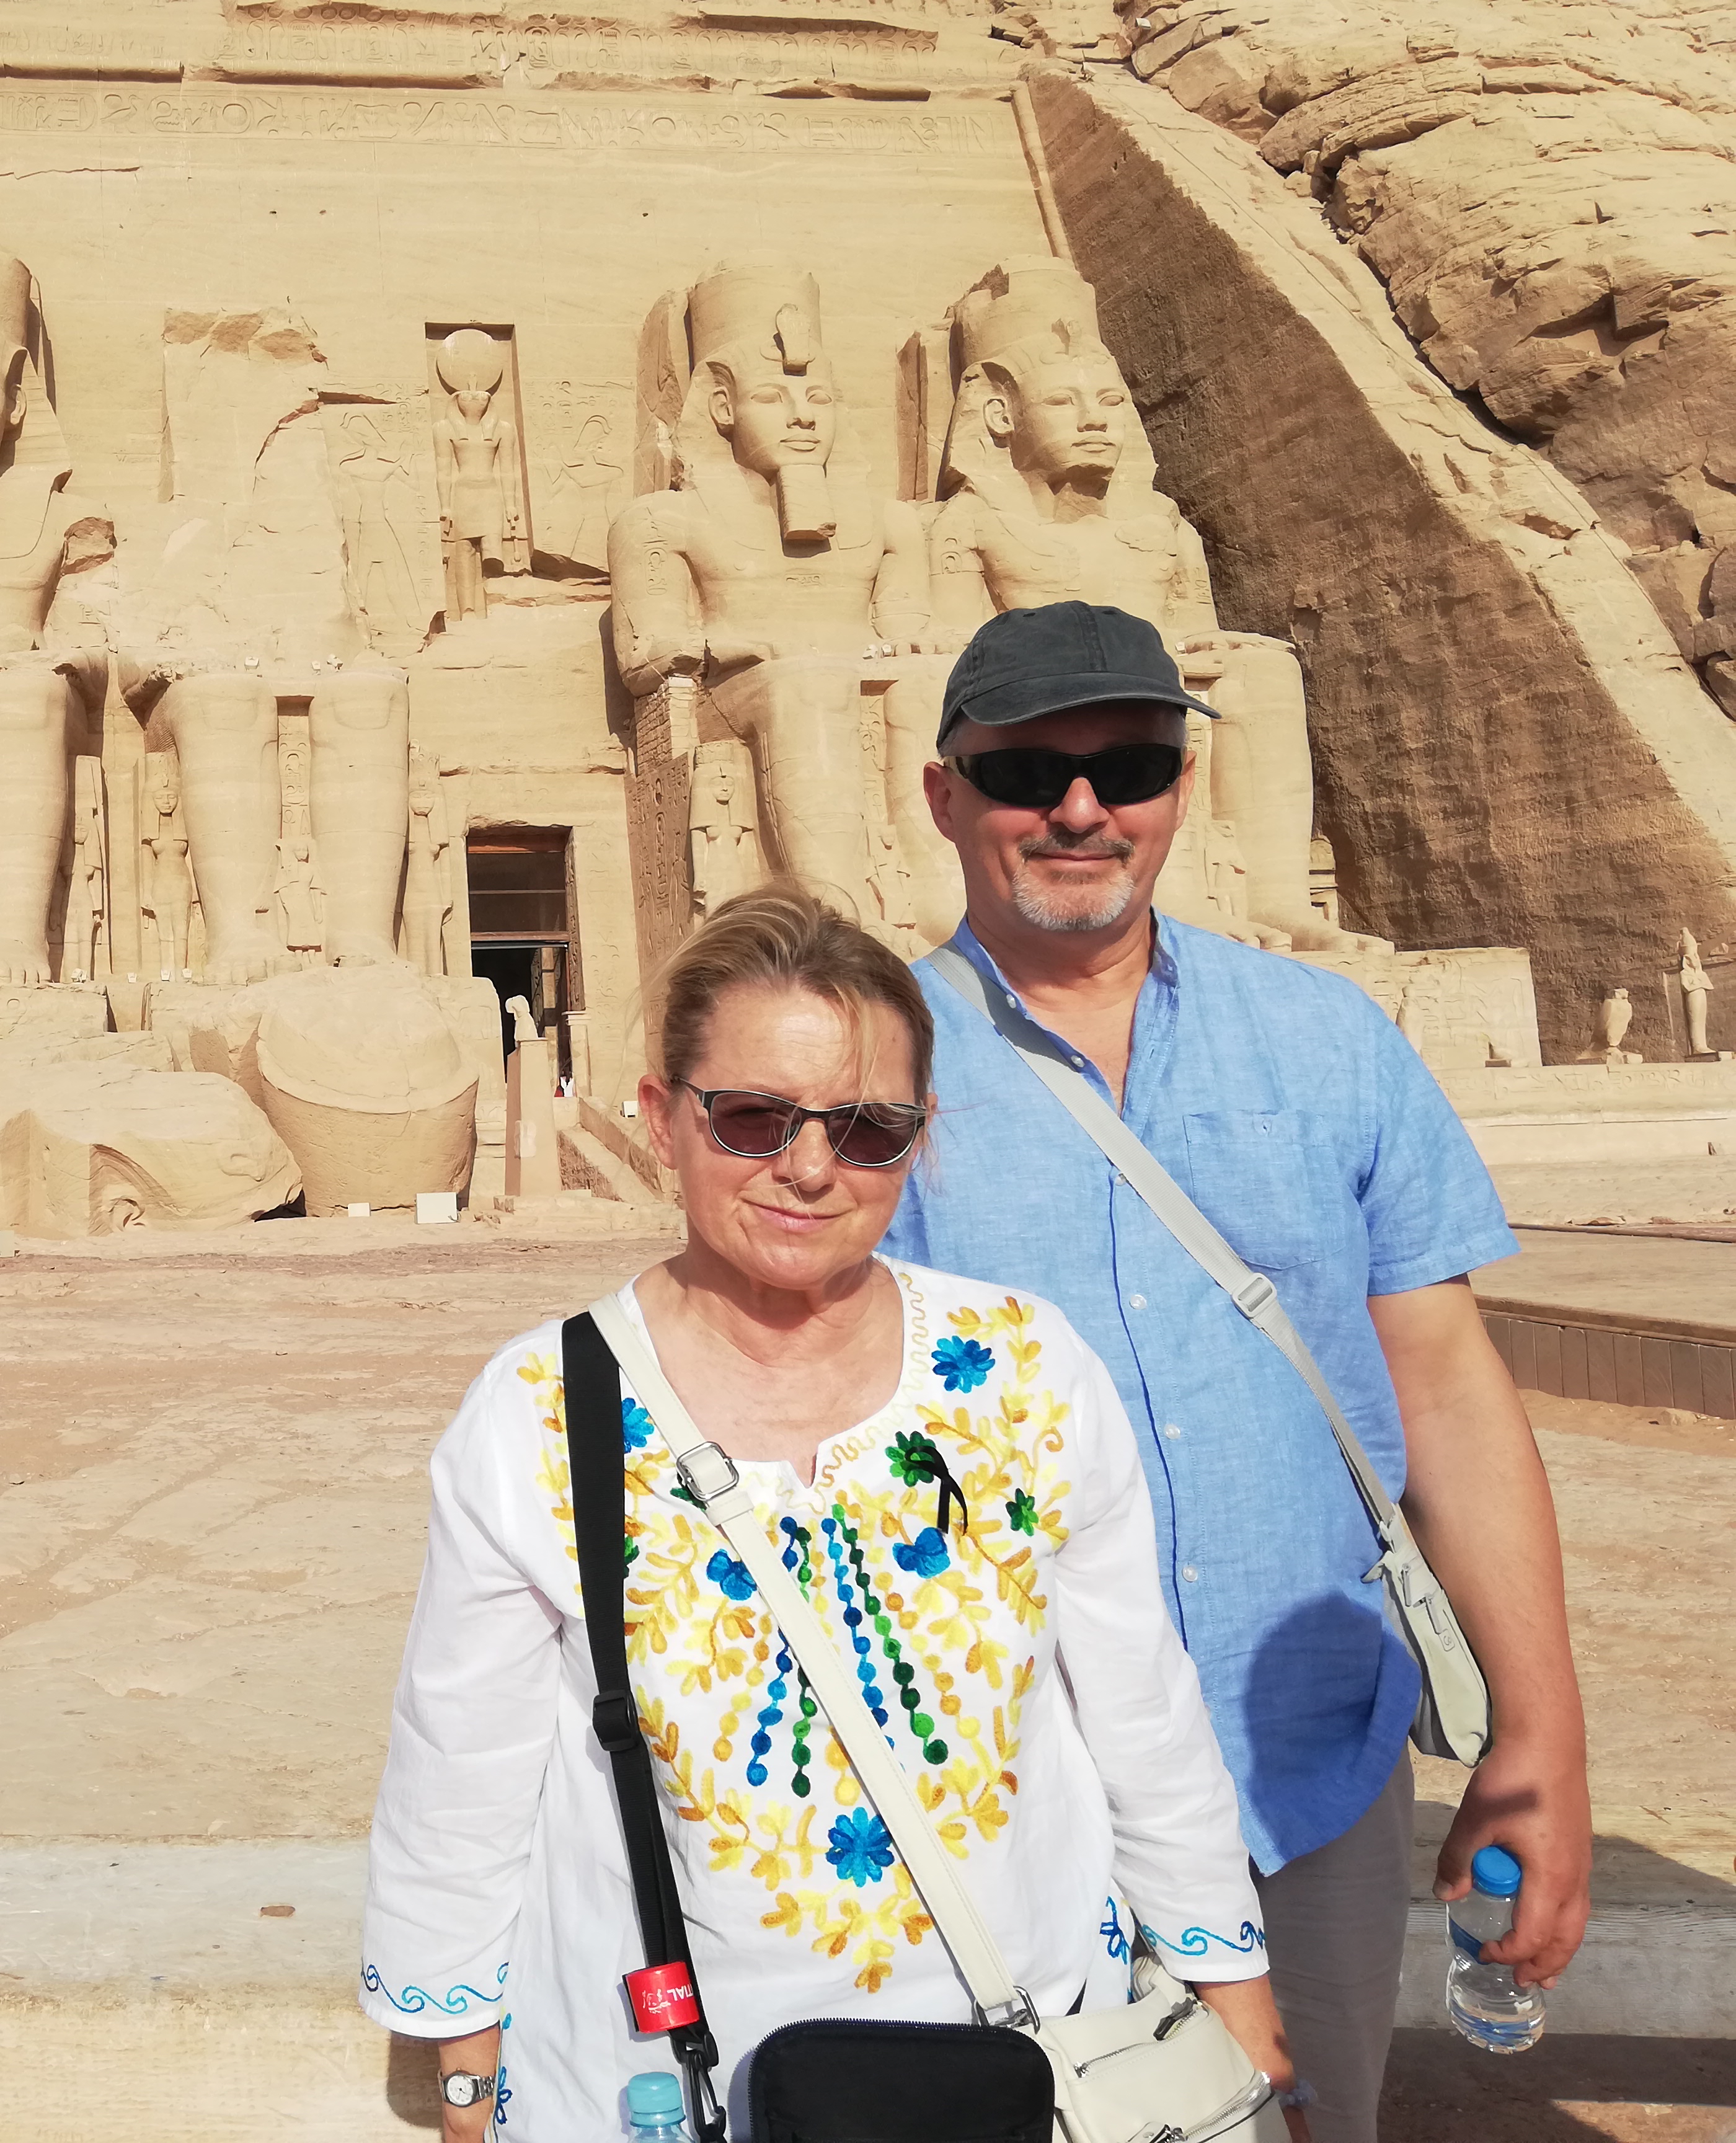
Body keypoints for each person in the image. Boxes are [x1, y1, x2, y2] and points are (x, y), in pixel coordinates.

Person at [363, 889, 1300, 2139]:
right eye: (753, 1118)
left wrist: (1234, 1997)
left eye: (867, 1130)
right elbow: (462, 1769)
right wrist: (465, 2077)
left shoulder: (1022, 1369)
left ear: (920, 1136)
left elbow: (1143, 1711)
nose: (809, 1168)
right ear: (663, 1119)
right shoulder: (539, 1409)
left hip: (1025, 2066)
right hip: (670, 2085)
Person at [884, 600, 1590, 2143]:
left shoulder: (1327, 1040)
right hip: (1009, 1782)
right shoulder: (876, 1070)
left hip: (1305, 1759)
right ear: (944, 795)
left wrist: (1538, 1739)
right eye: (1028, 773)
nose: (1083, 809)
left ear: (1184, 788)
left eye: (1130, 766)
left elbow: (1447, 1392)